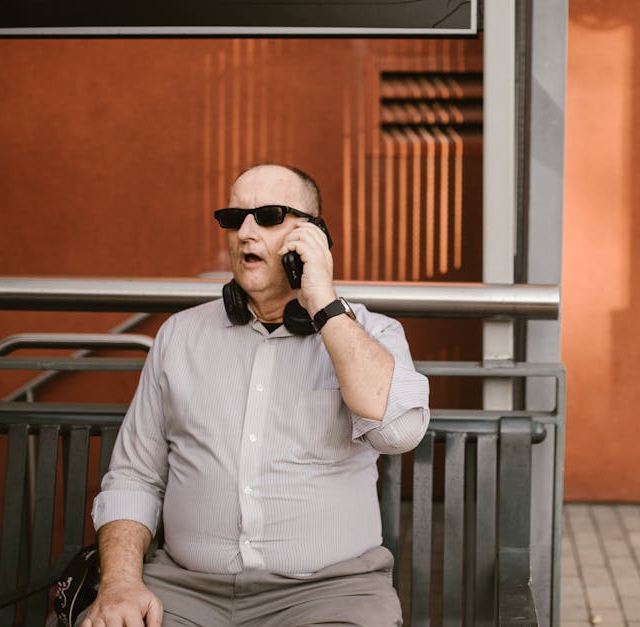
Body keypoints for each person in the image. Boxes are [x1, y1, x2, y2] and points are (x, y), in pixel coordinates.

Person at [81, 164, 430, 626]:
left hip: (328, 596)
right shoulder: (180, 337)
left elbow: (400, 431)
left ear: (314, 237)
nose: (245, 232)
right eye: (234, 217)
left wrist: (323, 302)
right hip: (186, 591)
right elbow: (134, 478)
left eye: (267, 216)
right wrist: (121, 583)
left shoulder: (371, 334)